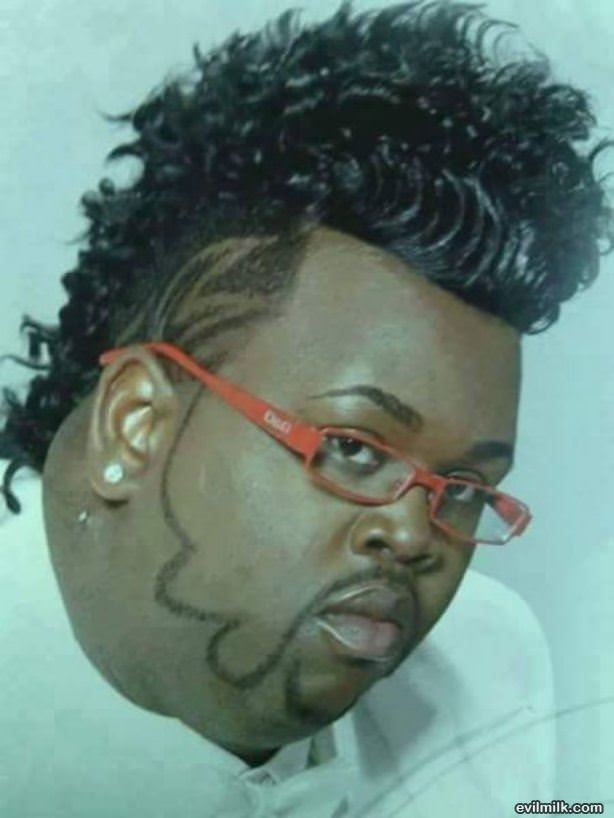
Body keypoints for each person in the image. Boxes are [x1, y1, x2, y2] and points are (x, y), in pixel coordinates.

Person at [1, 2, 611, 816]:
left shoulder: (486, 676)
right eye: (355, 448)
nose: (414, 535)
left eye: (466, 489)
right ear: (135, 424)